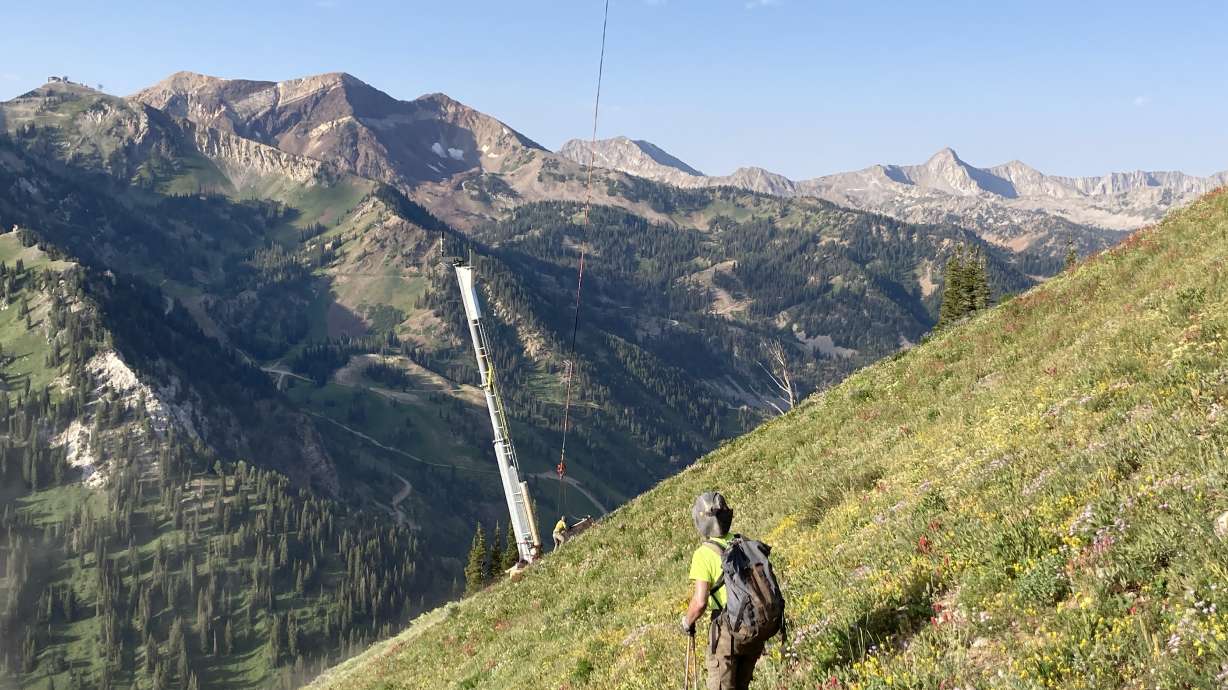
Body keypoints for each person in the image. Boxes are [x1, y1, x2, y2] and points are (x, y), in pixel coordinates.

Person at [680, 492, 764, 690]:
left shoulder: (703, 554)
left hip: (727, 627)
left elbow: (700, 602)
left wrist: (687, 621)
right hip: (753, 625)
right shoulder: (741, 541)